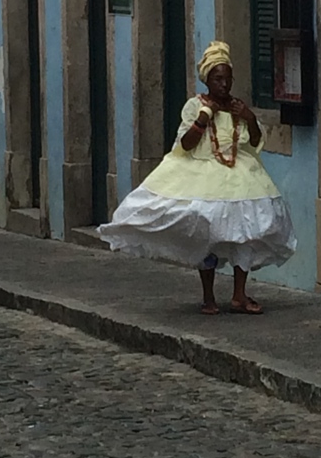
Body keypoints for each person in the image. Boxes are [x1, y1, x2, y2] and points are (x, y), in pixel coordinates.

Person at [98, 40, 296, 314]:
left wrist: (249, 118)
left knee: (246, 233)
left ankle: (239, 294)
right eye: (217, 79)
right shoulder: (195, 106)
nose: (223, 85)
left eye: (227, 79)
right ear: (207, 80)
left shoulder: (238, 108)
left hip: (241, 177)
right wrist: (205, 116)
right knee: (207, 233)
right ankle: (209, 296)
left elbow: (254, 141)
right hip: (203, 175)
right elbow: (187, 144)